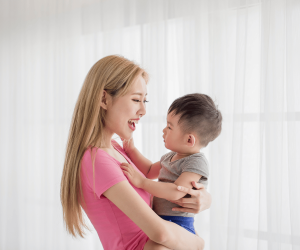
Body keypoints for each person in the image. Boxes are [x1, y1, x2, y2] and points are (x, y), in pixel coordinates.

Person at [60, 55, 212, 250]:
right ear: (104, 99)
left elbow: (159, 211)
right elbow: (161, 233)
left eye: (145, 101)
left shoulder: (116, 150)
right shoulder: (97, 160)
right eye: (136, 99)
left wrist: (203, 199)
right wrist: (198, 243)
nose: (143, 110)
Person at [121, 93, 222, 248]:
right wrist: (132, 150)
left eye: (169, 127)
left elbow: (176, 191)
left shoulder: (197, 162)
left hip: (179, 224)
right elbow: (148, 170)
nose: (164, 130)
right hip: (160, 220)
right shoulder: (170, 157)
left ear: (189, 140)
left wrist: (142, 183)